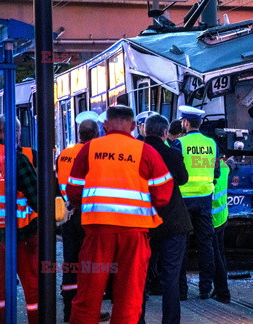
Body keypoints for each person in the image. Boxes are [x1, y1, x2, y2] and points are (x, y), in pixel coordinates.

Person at [67, 105, 174, 324]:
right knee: (129, 296)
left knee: (88, 294)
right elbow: (163, 195)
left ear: (104, 125)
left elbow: (74, 190)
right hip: (134, 234)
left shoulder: (89, 149)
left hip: (97, 232)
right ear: (134, 126)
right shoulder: (146, 151)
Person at [139, 113, 193, 324]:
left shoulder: (137, 154)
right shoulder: (172, 154)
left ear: (144, 130)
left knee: (141, 275)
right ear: (164, 133)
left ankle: (138, 319)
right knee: (171, 277)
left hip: (144, 223)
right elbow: (183, 179)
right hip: (173, 222)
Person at [56, 113, 110, 322]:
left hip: (68, 216)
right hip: (89, 216)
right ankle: (90, 312)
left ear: (79, 134)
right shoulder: (95, 154)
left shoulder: (63, 155)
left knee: (70, 264)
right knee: (91, 266)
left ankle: (69, 311)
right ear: (96, 134)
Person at [0, 115, 39, 324]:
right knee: (33, 285)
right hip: (22, 233)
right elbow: (37, 197)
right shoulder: (17, 159)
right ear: (17, 133)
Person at [173, 105, 219, 300]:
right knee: (205, 244)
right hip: (205, 198)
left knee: (180, 245)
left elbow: (174, 172)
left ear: (185, 123)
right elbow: (216, 172)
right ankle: (205, 289)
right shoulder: (212, 144)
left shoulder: (179, 144)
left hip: (183, 200)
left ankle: (182, 291)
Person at [211, 159, 231, 304]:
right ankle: (221, 290)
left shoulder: (204, 164)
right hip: (221, 217)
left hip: (211, 218)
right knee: (220, 254)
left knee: (215, 256)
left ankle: (222, 292)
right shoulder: (224, 166)